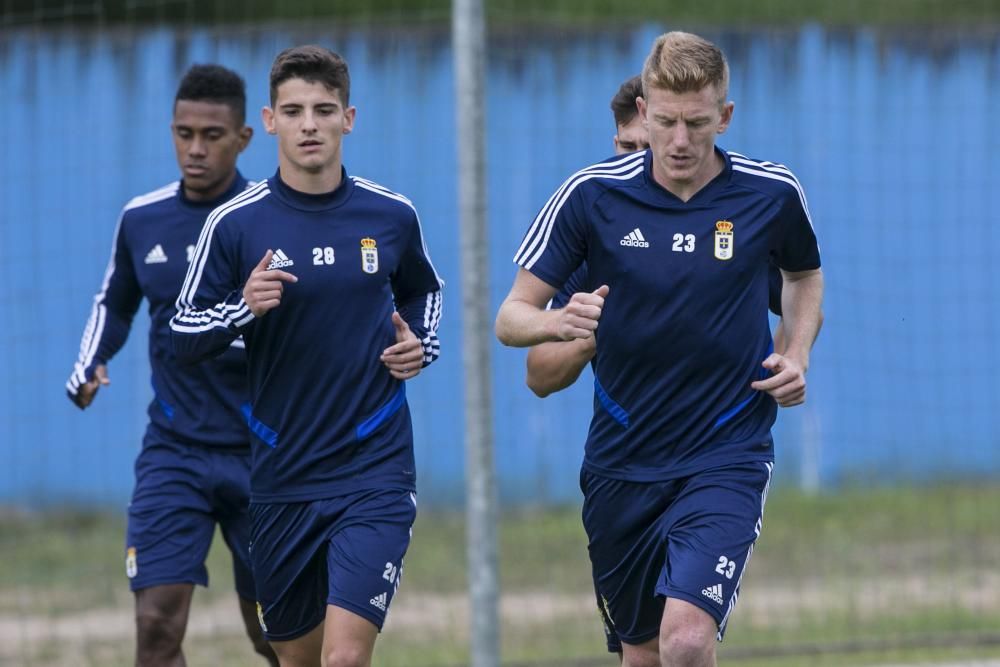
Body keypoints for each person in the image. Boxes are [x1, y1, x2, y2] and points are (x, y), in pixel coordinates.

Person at [496, 31, 824, 667]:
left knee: (687, 641)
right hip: (623, 463)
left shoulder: (770, 195)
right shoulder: (591, 196)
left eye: (697, 124)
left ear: (723, 117)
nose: (679, 142)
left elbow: (804, 276)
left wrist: (798, 352)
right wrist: (561, 321)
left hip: (726, 451)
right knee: (642, 655)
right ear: (643, 111)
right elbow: (510, 319)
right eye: (667, 122)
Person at [170, 45, 443, 667]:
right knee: (296, 657)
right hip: (281, 475)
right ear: (269, 122)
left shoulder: (391, 214)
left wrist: (418, 346)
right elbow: (182, 334)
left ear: (350, 119)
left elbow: (424, 291)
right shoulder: (234, 225)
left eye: (325, 109)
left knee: (344, 659)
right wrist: (242, 307)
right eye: (294, 111)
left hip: (374, 468)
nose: (310, 124)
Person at [66, 65, 277, 666]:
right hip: (174, 452)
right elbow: (114, 301)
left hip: (265, 453)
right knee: (155, 628)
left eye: (212, 135)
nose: (195, 148)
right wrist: (90, 364)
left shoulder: (270, 219)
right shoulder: (143, 219)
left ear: (242, 138)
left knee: (274, 634)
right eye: (184, 133)